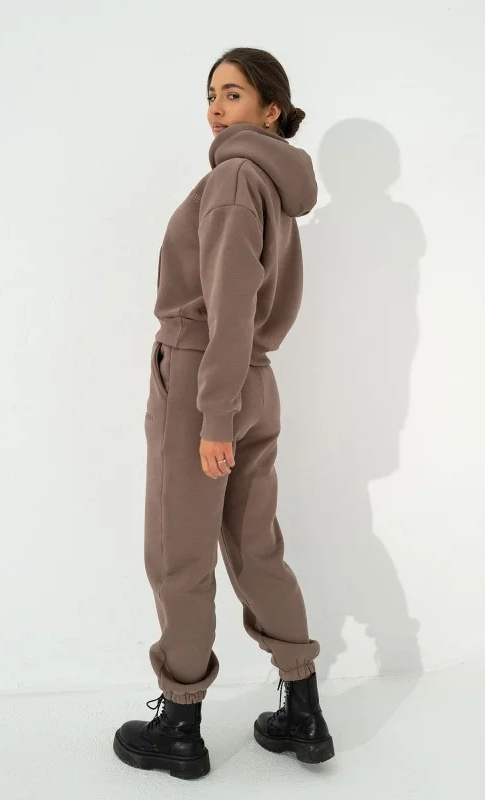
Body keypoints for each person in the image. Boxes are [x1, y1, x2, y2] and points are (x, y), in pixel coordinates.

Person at [112, 46, 335, 780]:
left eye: (233, 93)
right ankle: (303, 711)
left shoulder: (235, 178)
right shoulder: (273, 182)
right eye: (211, 93)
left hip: (205, 377)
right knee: (255, 547)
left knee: (179, 552)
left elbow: (230, 304)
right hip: (254, 380)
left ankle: (179, 727)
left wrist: (212, 414)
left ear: (272, 110)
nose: (216, 106)